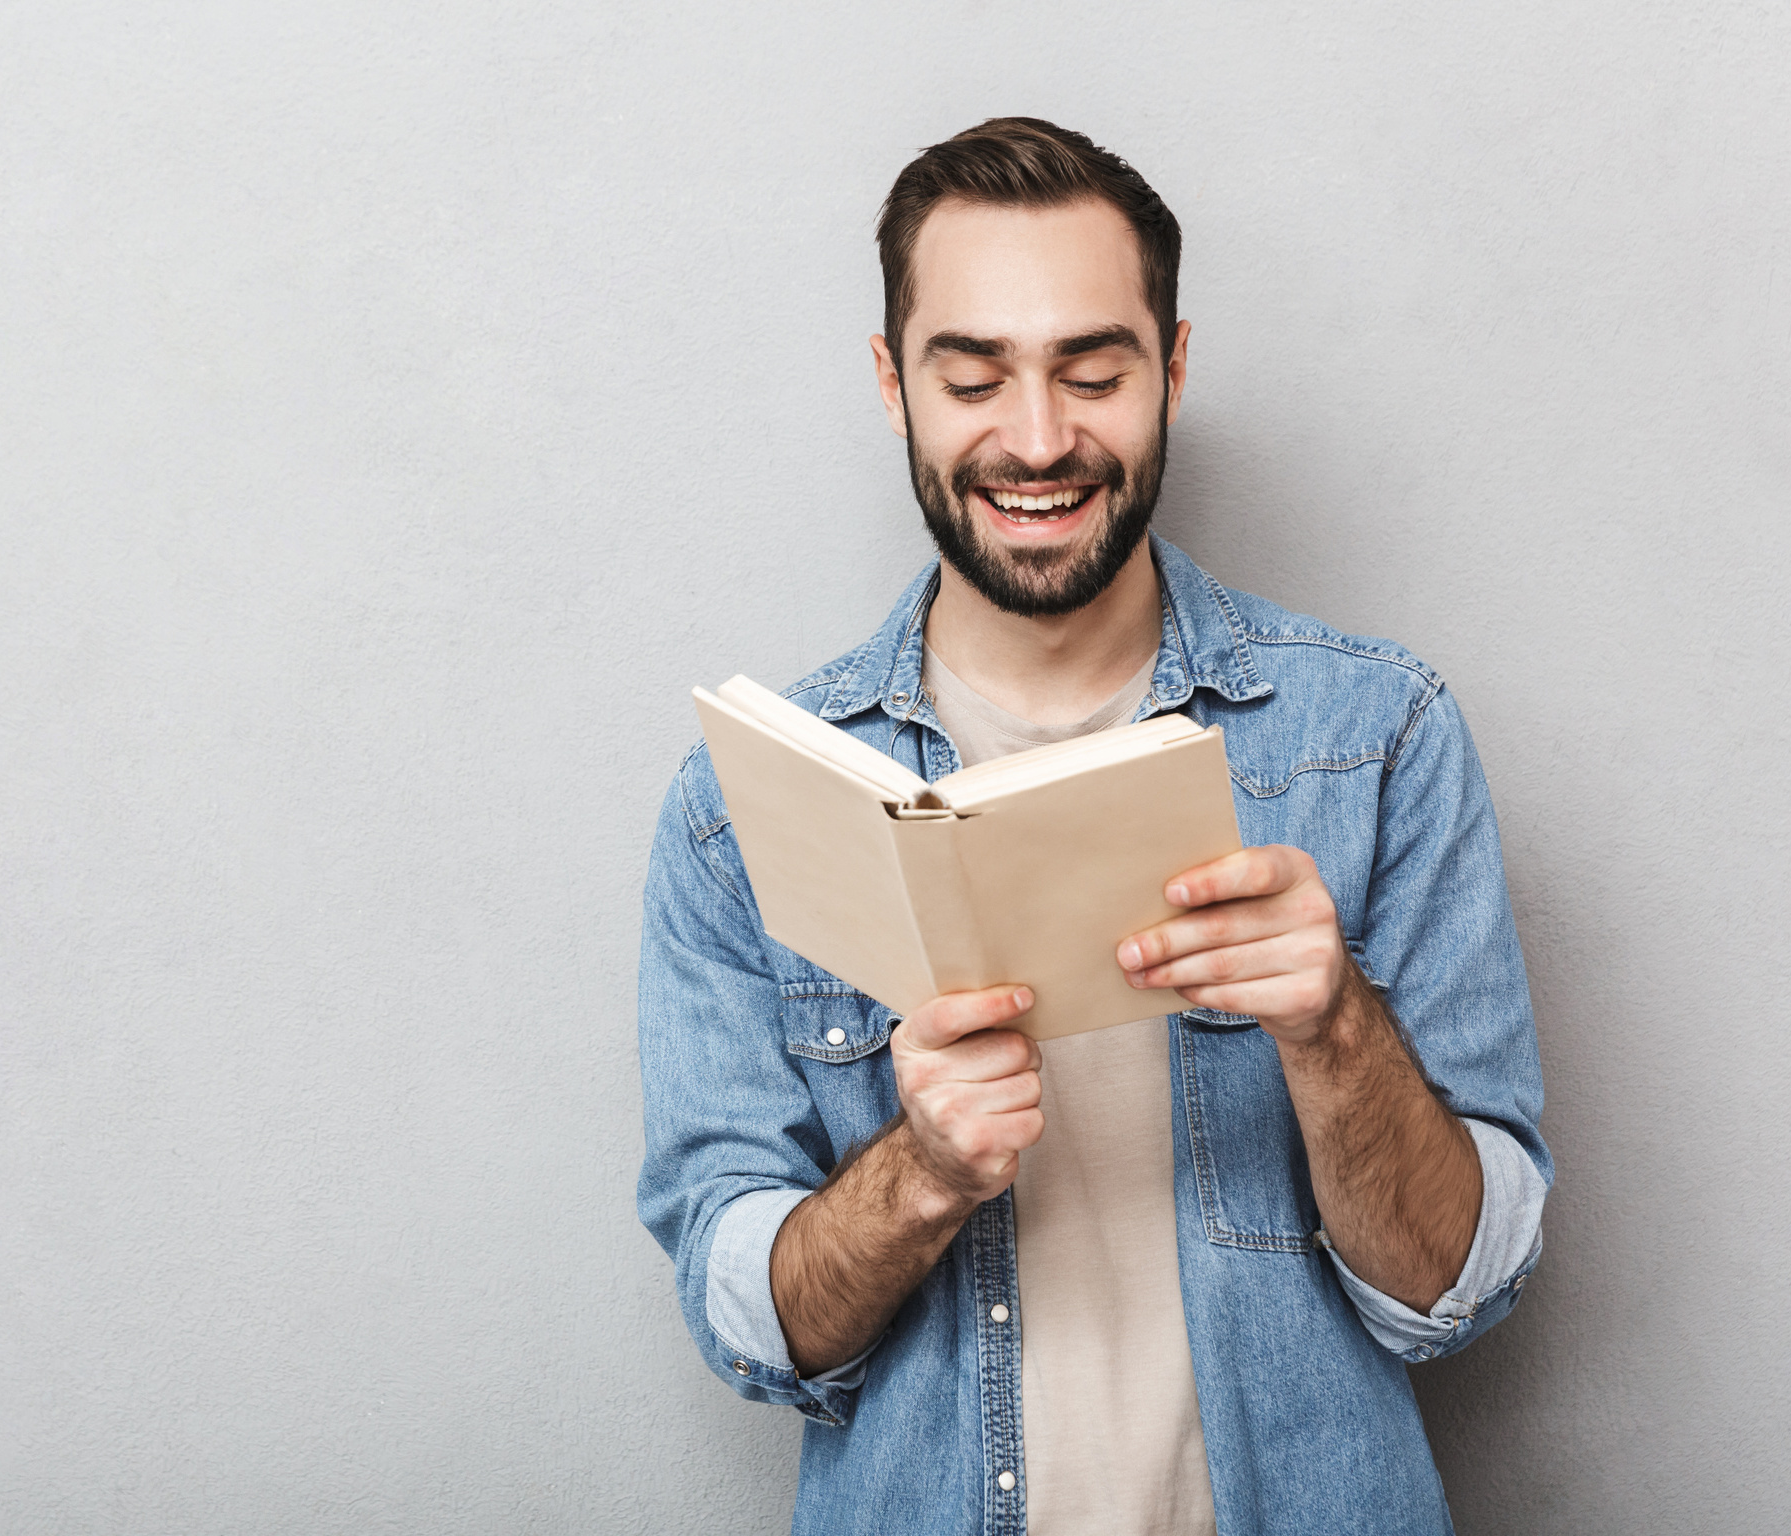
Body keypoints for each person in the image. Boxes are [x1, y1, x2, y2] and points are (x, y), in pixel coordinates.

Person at [636, 117, 1548, 1536]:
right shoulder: (738, 815)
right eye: (975, 373)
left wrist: (1335, 1032)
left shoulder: (1381, 740)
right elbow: (748, 1327)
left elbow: (1462, 1292)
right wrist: (920, 1174)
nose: (1041, 438)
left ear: (1172, 369)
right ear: (894, 385)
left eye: (1094, 369)